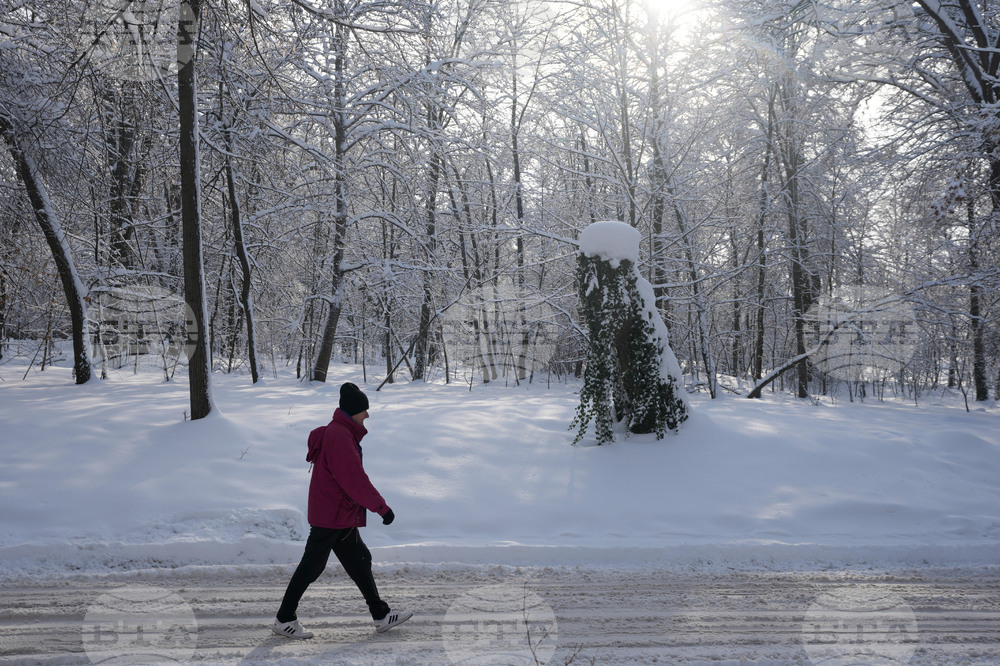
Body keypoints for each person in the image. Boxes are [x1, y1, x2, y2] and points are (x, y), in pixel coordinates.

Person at [273, 382, 413, 638]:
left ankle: (380, 615)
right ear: (352, 411)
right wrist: (382, 508)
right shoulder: (339, 436)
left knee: (360, 561)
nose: (368, 415)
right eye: (364, 411)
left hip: (339, 515)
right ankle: (284, 619)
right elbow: (354, 479)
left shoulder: (341, 432)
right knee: (310, 568)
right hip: (331, 516)